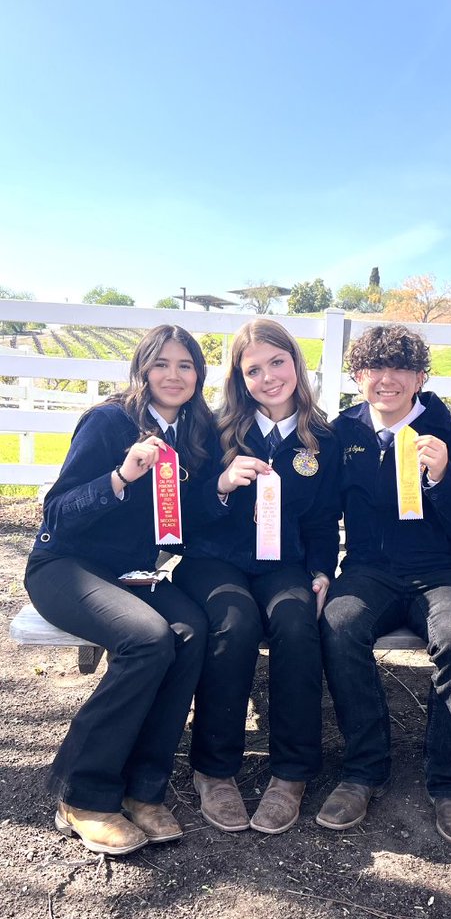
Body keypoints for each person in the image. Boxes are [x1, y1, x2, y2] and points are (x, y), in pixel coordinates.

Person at [24, 324, 211, 856]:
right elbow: (57, 512)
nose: (173, 376)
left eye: (185, 365)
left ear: (198, 375)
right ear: (142, 370)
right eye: (162, 364)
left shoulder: (192, 434)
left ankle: (141, 788)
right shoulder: (109, 422)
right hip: (64, 565)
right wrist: (121, 476)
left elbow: (184, 519)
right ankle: (81, 793)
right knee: (149, 638)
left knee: (190, 630)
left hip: (131, 574)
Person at [317, 323, 451, 845]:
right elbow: (321, 515)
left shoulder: (449, 432)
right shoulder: (340, 432)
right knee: (339, 625)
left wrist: (443, 479)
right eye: (373, 368)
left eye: (400, 368)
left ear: (419, 376)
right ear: (357, 375)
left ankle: (449, 783)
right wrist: (322, 569)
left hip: (441, 572)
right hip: (369, 570)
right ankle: (364, 770)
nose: (386, 379)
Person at [173, 318, 341, 836]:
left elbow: (321, 521)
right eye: (253, 370)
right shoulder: (216, 429)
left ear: (295, 364)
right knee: (235, 621)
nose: (268, 377)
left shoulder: (323, 439)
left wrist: (320, 572)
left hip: (282, 564)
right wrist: (221, 486)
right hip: (212, 560)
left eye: (277, 363)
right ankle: (214, 769)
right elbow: (184, 515)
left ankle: (291, 773)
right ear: (239, 379)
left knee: (295, 623)